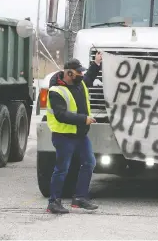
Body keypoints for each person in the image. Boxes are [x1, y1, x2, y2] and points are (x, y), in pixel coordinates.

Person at [46, 52, 102, 214]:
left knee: (89, 163)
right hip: (63, 136)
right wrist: (84, 119)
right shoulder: (56, 91)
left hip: (80, 135)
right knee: (62, 169)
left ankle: (80, 198)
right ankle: (53, 202)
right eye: (79, 72)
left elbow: (89, 77)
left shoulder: (80, 84)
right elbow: (61, 115)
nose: (82, 74)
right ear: (69, 73)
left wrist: (96, 63)